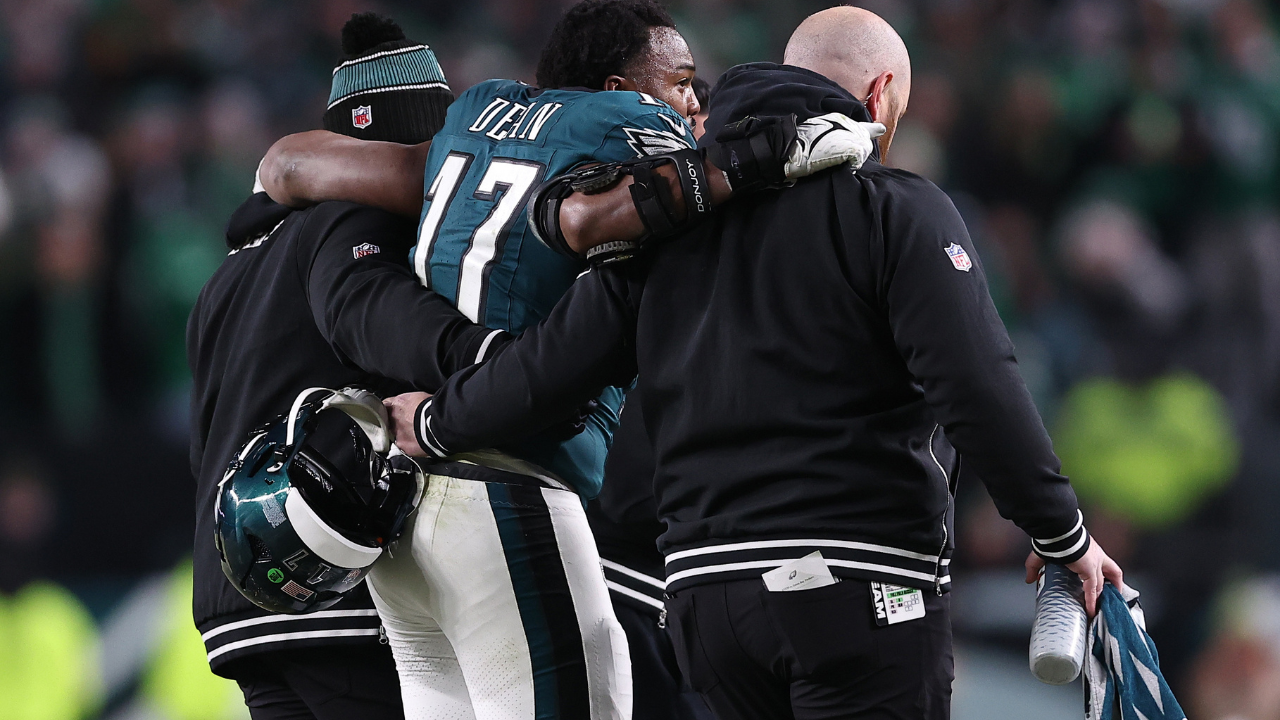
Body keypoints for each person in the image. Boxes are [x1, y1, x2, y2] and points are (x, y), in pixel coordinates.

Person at [382, 7, 1127, 720]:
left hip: (707, 605)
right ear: (879, 96)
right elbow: (977, 383)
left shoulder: (668, 219)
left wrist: (440, 421)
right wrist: (1061, 535)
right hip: (855, 586)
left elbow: (551, 364)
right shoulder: (894, 206)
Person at [256, 2, 878, 718]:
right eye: (680, 82)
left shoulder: (476, 118)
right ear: (621, 89)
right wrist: (751, 163)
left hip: (407, 505)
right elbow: (594, 216)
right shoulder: (628, 134)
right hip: (506, 483)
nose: (694, 102)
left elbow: (286, 164)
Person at [187, 14, 505, 720]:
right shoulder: (355, 215)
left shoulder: (227, 273)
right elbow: (367, 310)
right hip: (335, 582)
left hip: (246, 595)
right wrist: (482, 357)